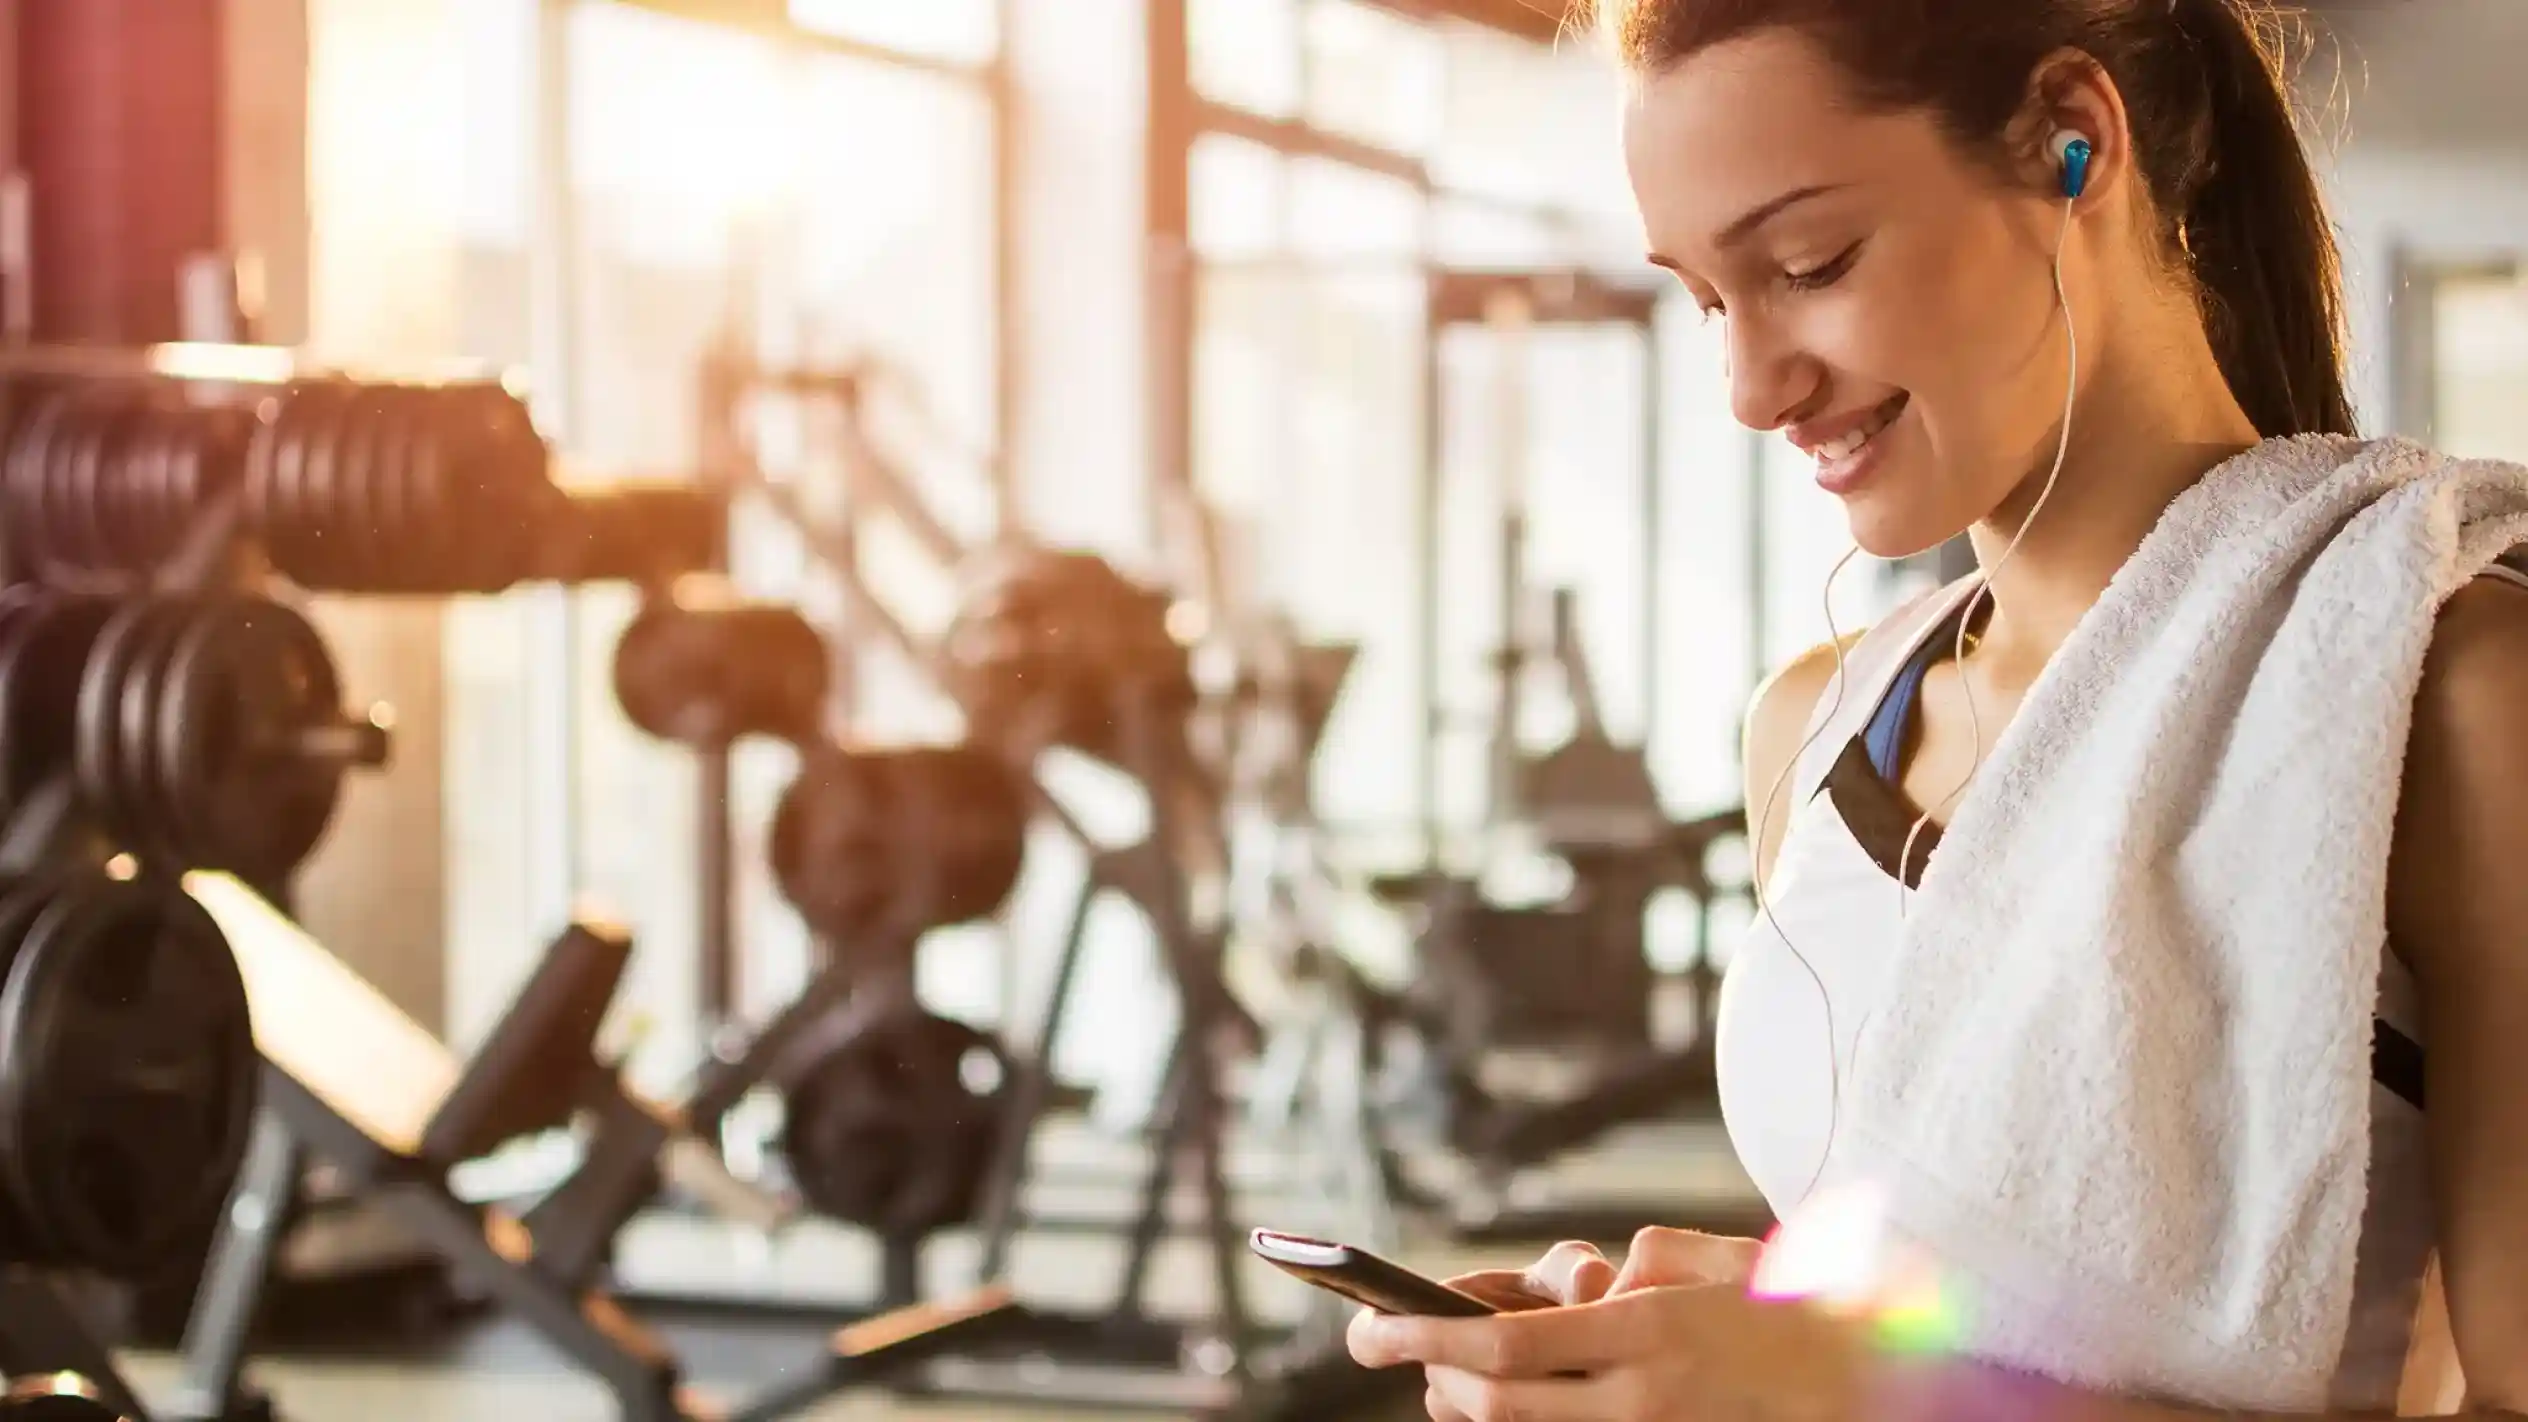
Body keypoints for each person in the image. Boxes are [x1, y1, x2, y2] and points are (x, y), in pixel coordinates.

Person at [1346, 1, 2528, 1418]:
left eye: (1810, 263)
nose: (1749, 385)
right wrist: (1707, 1339)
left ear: (2073, 147)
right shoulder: (1818, 725)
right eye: (1709, 298)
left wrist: (1849, 1393)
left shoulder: (2443, 693)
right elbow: (1931, 1295)